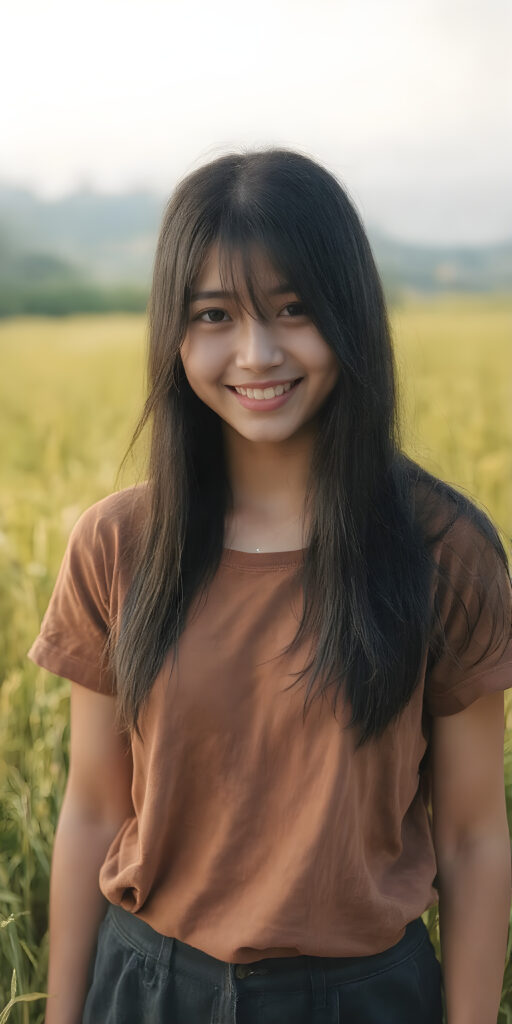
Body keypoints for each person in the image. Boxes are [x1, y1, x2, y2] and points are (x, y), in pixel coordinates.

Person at [28, 147, 512, 1024]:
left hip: (362, 998)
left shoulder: (444, 551)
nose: (256, 354)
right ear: (175, 334)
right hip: (147, 989)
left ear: (351, 318)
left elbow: (476, 837)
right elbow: (95, 807)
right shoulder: (116, 545)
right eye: (215, 314)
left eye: (294, 311)